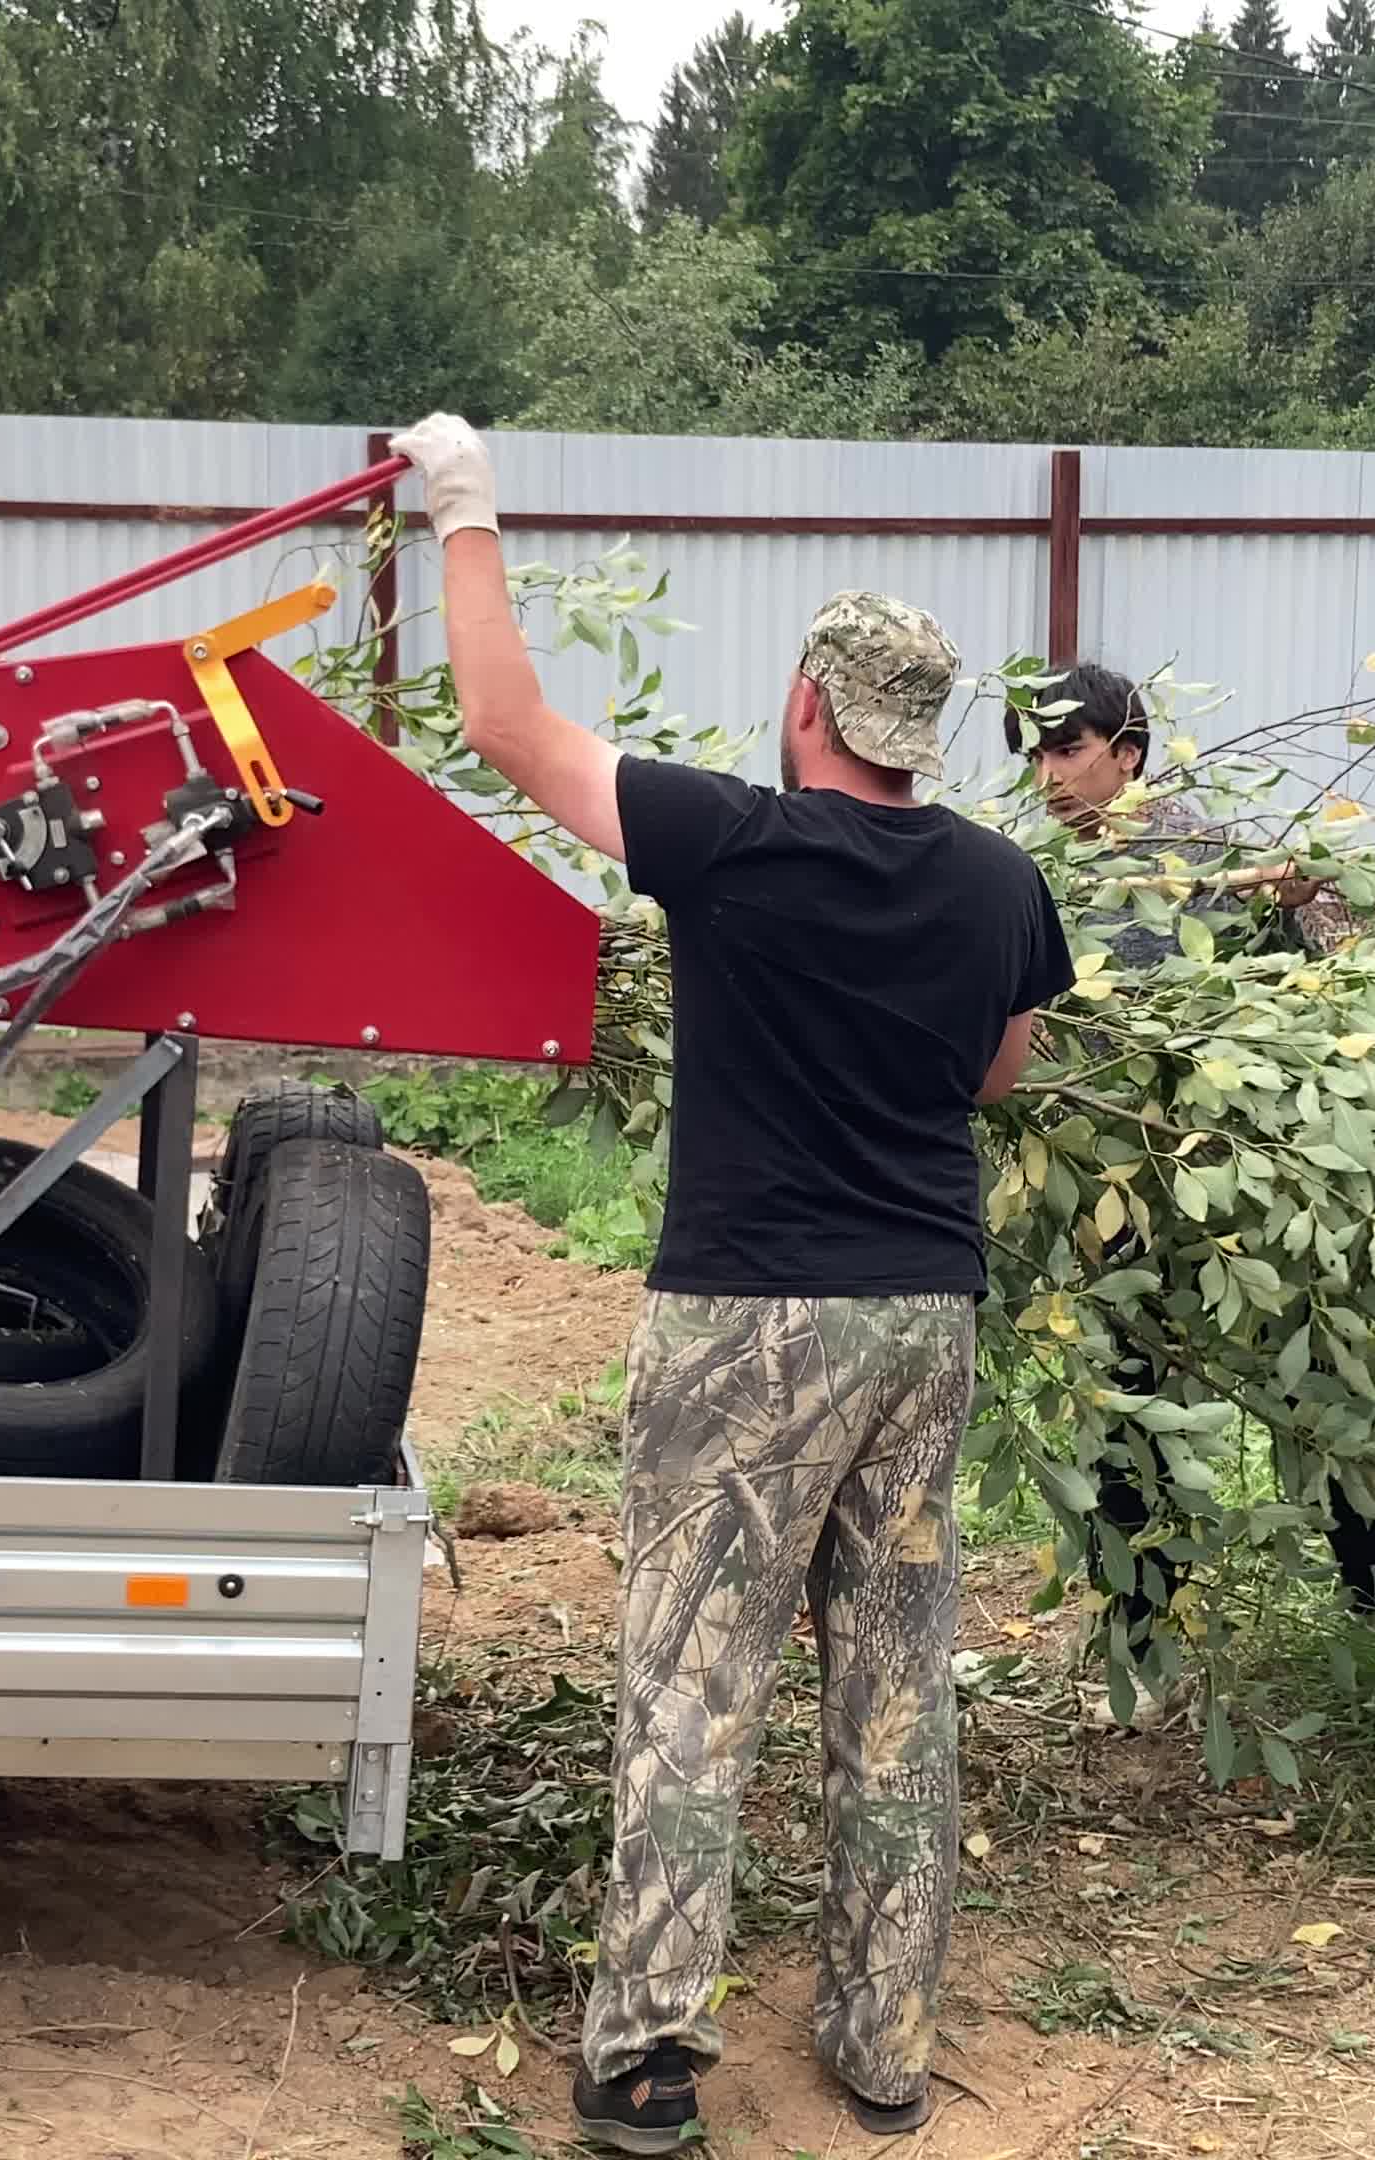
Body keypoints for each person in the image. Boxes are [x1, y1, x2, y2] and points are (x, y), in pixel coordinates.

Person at [388, 414, 1074, 2153]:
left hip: (750, 1322)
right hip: (928, 1314)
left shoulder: (730, 842)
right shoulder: (1006, 882)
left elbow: (503, 727)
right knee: (899, 1692)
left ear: (805, 709)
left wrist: (463, 507)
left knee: (695, 1685)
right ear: (921, 735)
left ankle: (648, 2061)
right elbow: (999, 1081)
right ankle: (885, 2049)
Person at [1010, 667, 1375, 1701]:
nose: (1049, 772)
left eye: (1068, 748)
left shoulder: (1208, 860)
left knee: (1320, 1380)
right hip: (1113, 1184)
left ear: (1128, 754)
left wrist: (1290, 916)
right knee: (1135, 1409)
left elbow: (1297, 1001)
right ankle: (1145, 1648)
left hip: (1241, 1178)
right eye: (1036, 753)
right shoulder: (1031, 875)